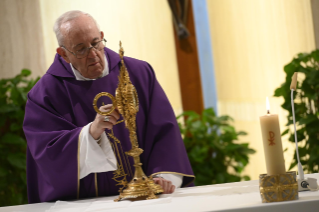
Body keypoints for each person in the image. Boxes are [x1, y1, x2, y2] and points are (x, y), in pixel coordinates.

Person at [23, 10, 194, 203]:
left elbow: (164, 132)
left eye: (95, 43)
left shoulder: (138, 73)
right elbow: (47, 154)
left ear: (102, 37)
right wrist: (91, 133)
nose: (93, 54)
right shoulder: (45, 94)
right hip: (86, 205)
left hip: (148, 200)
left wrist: (162, 176)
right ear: (63, 54)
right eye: (80, 49)